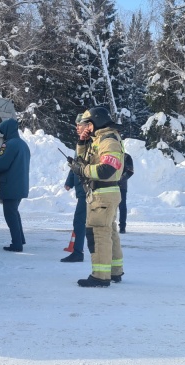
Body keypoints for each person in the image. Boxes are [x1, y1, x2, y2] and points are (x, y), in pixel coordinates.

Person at [69, 106, 125, 287]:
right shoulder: (100, 139)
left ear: (96, 122)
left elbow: (106, 169)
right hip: (104, 193)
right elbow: (86, 160)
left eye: (88, 124)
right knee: (109, 231)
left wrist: (82, 170)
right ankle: (115, 271)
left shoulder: (109, 140)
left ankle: (101, 276)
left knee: (98, 233)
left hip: (103, 193)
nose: (85, 128)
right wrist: (82, 143)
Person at [0, 118, 30, 252]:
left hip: (11, 184)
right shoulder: (23, 144)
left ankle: (17, 244)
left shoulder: (10, 145)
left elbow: (2, 164)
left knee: (10, 214)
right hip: (20, 184)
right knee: (14, 212)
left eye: (3, 132)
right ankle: (20, 239)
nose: (3, 135)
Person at [61, 113, 90, 263]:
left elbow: (82, 166)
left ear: (87, 125)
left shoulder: (88, 143)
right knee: (82, 222)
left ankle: (78, 252)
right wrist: (70, 181)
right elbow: (75, 166)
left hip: (87, 191)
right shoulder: (81, 143)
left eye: (79, 124)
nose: (77, 127)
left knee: (80, 222)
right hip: (83, 190)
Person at [118, 152, 134, 233]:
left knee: (122, 206)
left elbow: (130, 171)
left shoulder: (126, 157)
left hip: (121, 186)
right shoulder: (108, 155)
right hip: (109, 185)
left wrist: (119, 181)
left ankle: (122, 226)